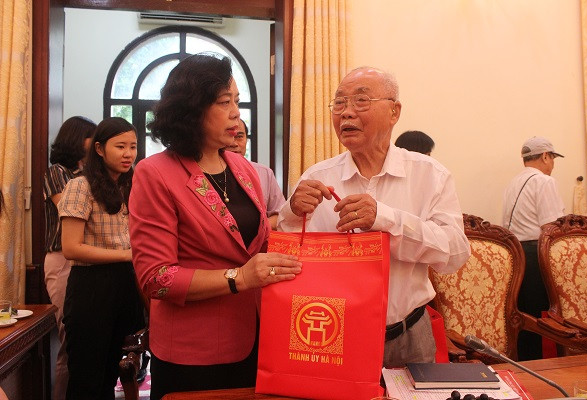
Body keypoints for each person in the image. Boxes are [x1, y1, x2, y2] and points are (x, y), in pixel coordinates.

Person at [127, 53, 302, 399]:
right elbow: (156, 277)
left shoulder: (242, 168)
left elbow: (258, 245)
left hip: (256, 335)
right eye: (224, 102)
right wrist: (240, 277)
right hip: (194, 351)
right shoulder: (155, 173)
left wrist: (297, 213)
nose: (236, 112)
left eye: (236, 100)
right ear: (191, 109)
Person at [277, 66, 471, 367]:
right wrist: (291, 213)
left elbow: (455, 253)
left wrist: (386, 219)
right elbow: (291, 256)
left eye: (361, 101)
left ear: (394, 112)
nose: (346, 112)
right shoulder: (317, 177)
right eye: (339, 103)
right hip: (334, 333)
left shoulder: (430, 175)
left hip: (410, 334)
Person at [58, 117, 145, 399]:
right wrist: (127, 254)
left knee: (113, 374)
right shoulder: (80, 186)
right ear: (99, 149)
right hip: (91, 287)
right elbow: (71, 248)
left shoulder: (131, 186)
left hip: (125, 283)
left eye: (133, 146)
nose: (128, 154)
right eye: (120, 146)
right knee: (87, 378)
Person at [43, 115, 96, 400]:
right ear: (77, 139)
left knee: (85, 337)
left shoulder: (85, 174)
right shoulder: (57, 172)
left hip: (87, 258)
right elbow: (70, 206)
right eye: (91, 136)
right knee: (68, 337)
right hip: (62, 257)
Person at [501, 136, 565, 361]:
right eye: (553, 158)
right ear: (546, 156)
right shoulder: (544, 181)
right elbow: (552, 228)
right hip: (536, 254)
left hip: (515, 254)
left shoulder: (513, 183)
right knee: (541, 316)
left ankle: (526, 366)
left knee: (523, 317)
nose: (553, 164)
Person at [227, 119, 286, 230]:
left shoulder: (264, 173)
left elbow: (280, 215)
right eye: (229, 136)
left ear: (246, 139)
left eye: (239, 136)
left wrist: (257, 231)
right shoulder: (205, 173)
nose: (234, 143)